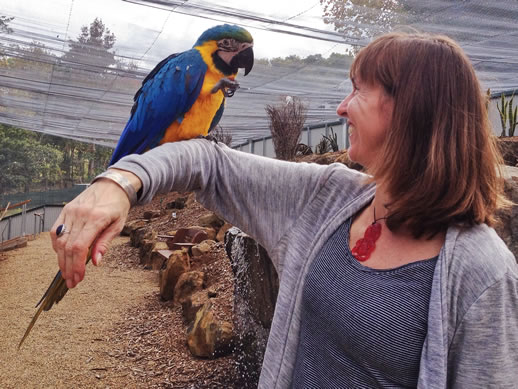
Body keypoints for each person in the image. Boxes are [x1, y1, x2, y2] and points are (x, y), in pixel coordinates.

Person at [51, 32, 518, 388]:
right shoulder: (327, 198)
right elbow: (208, 162)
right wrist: (120, 181)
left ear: (409, 109)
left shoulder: (482, 273)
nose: (341, 107)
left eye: (358, 90)